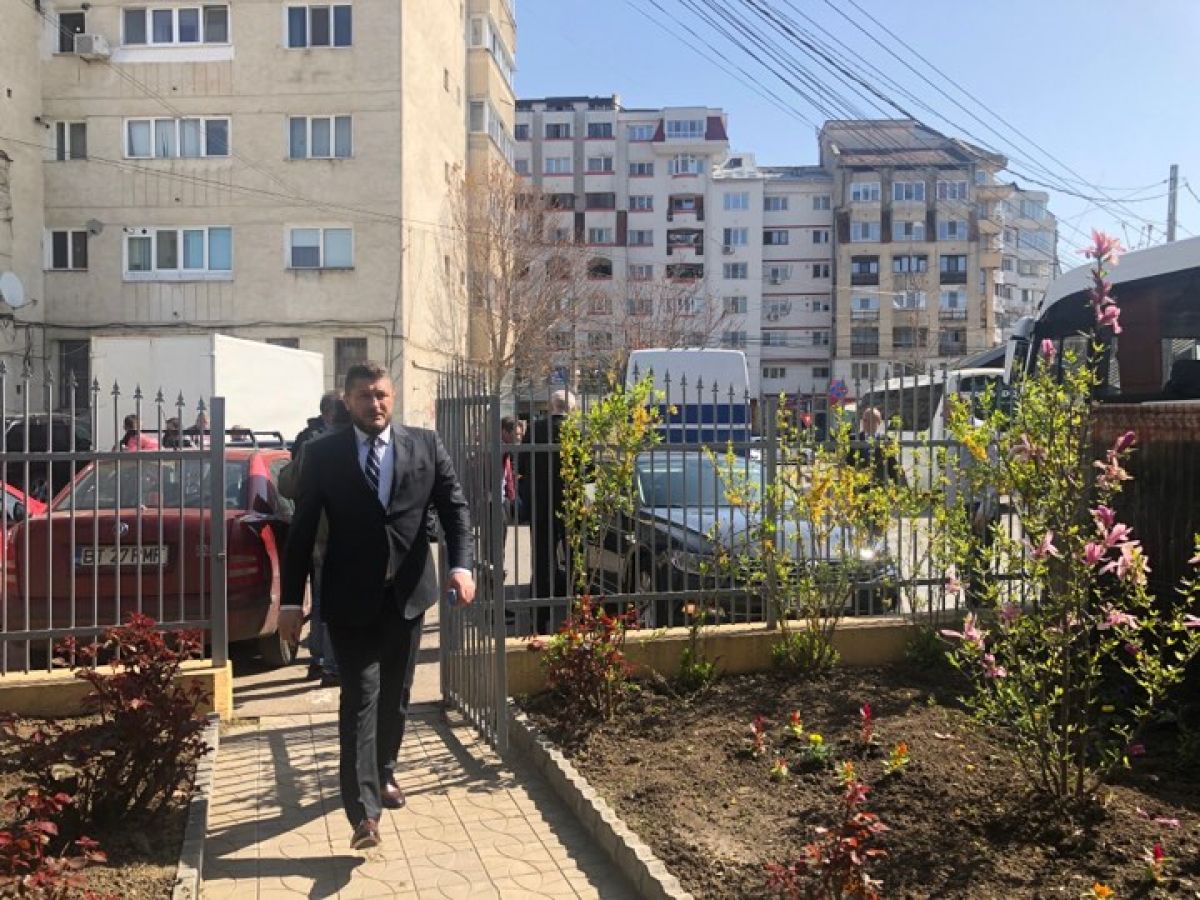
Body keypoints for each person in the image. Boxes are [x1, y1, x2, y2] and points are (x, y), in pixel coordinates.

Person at [280, 361, 475, 851]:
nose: (376, 404)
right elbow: (301, 530)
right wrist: (290, 602)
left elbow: (454, 509)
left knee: (396, 696)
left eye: (382, 394)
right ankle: (364, 814)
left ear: (393, 396)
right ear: (348, 401)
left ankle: (385, 770)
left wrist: (461, 566)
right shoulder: (322, 454)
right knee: (359, 698)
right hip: (349, 598)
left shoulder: (425, 445)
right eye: (365, 396)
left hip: (407, 596)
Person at [278, 396, 351, 685]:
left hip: (321, 537)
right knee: (338, 601)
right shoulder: (359, 442)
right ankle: (332, 663)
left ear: (329, 415)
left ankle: (324, 661)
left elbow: (286, 485)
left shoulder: (313, 444)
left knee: (324, 600)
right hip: (345, 539)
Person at [529, 389, 575, 634]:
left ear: (550, 406)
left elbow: (522, 465)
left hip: (541, 504)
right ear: (572, 409)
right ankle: (576, 618)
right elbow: (589, 473)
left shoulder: (535, 430)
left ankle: (540, 622)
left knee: (542, 562)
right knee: (576, 563)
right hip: (571, 506)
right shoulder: (577, 432)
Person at [846, 406, 904, 487]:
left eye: (871, 420)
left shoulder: (886, 440)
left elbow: (892, 467)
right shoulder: (852, 439)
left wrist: (896, 487)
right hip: (857, 486)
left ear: (878, 422)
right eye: (865, 420)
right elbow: (846, 464)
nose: (867, 423)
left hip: (879, 487)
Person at [292, 390, 342, 459]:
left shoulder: (349, 433)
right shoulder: (308, 437)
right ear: (326, 413)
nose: (345, 414)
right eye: (341, 410)